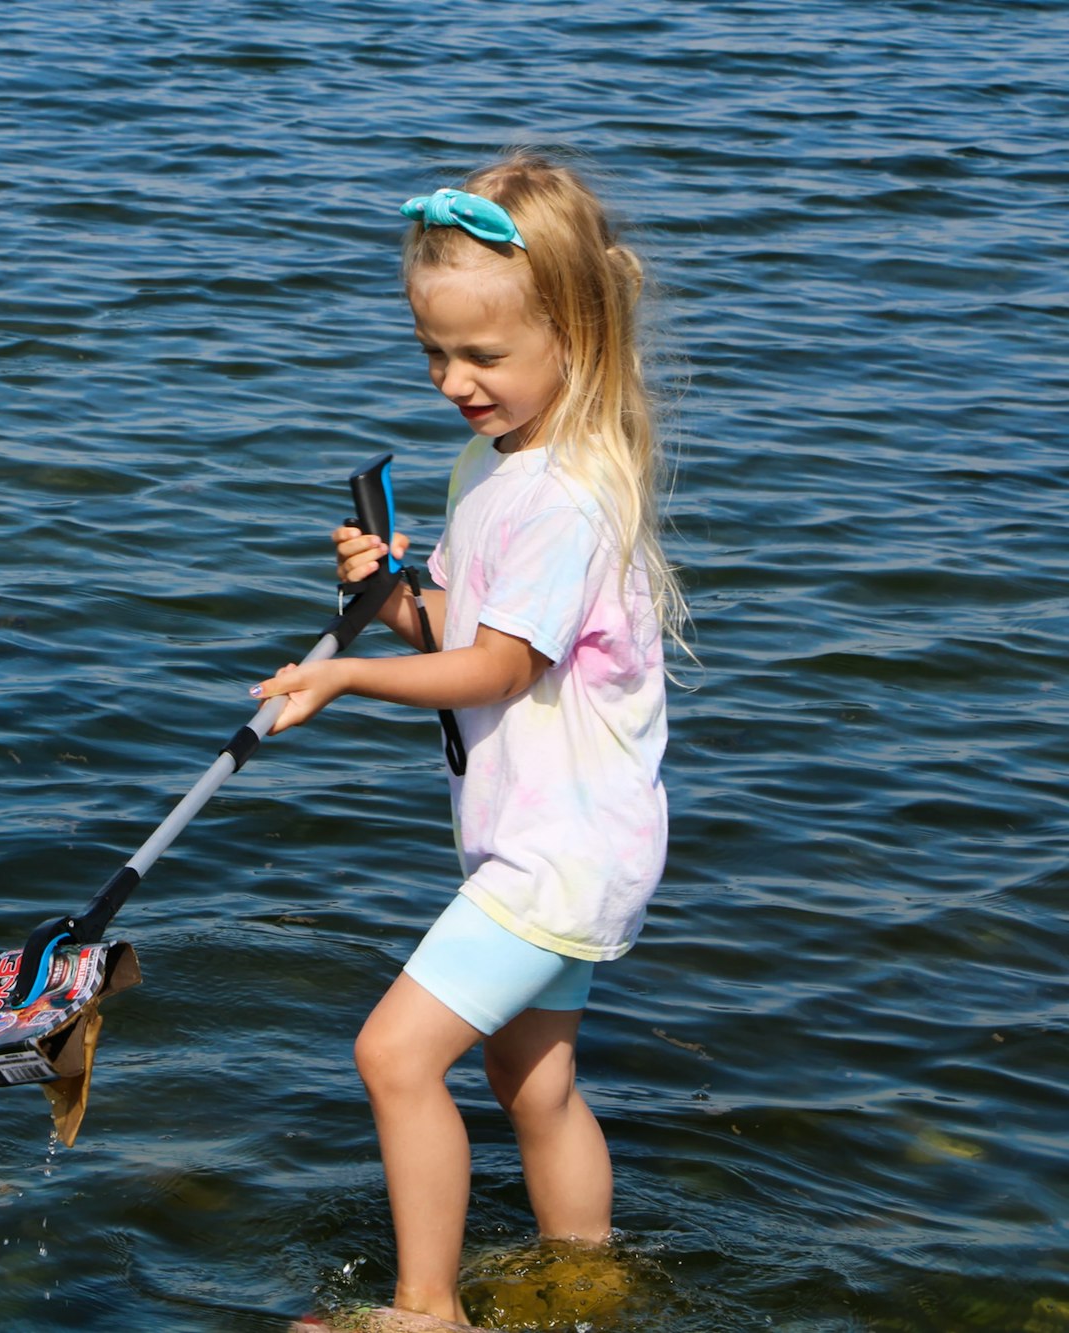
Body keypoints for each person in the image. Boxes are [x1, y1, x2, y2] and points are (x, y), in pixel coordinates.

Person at [252, 153, 683, 1328]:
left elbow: (498, 667)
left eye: (482, 357)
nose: (453, 382)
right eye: (432, 353)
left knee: (392, 1057)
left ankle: (424, 1310)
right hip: (561, 839)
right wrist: (395, 600)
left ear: (577, 336)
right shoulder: (496, 466)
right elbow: (466, 629)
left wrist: (347, 670)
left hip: (554, 851)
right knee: (527, 1080)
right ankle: (584, 1276)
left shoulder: (562, 498)